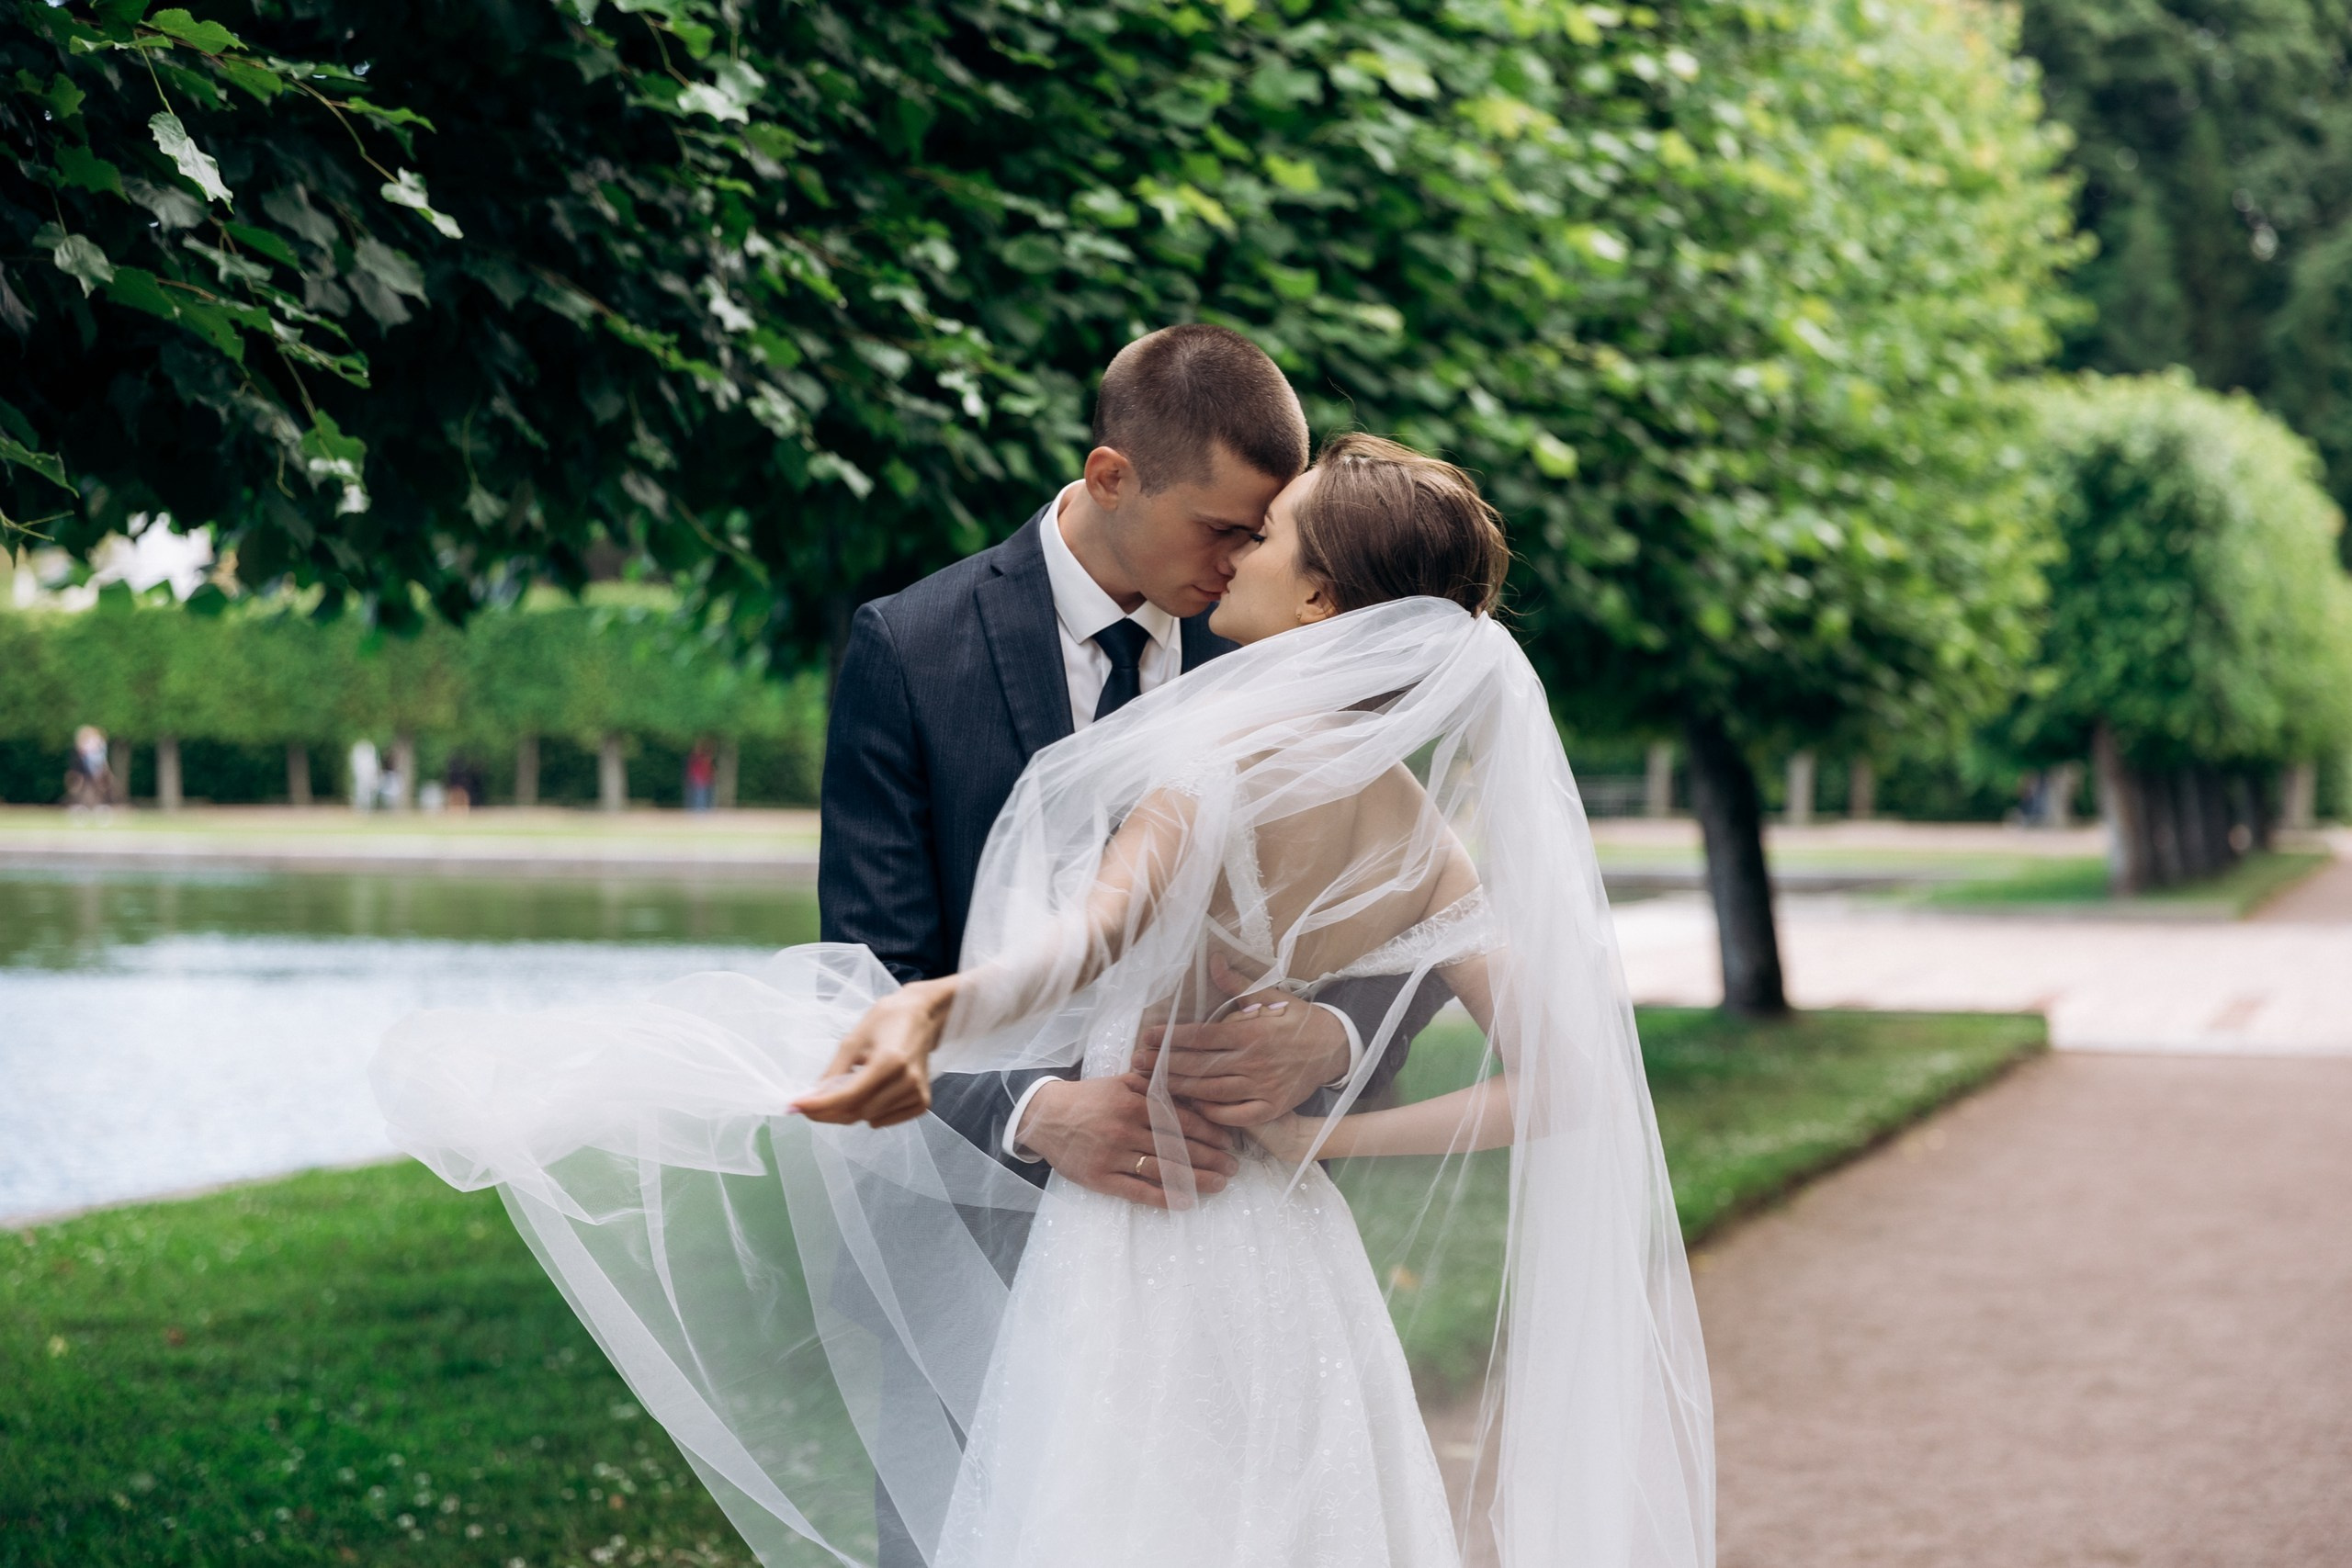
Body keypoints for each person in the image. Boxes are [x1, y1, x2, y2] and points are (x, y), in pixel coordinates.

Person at [375, 428, 1713, 1568]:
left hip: (1130, 1249)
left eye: (1271, 536)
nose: (1236, 553)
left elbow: (1089, 942)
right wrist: (1322, 1142)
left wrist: (938, 1008)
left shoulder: (1214, 754)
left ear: (1317, 605)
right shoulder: (1420, 824)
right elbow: (1574, 1075)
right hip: (1281, 1241)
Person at [63, 725, 113, 815]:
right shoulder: (82, 750)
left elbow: (102, 761)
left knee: (99, 791)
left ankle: (99, 808)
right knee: (81, 791)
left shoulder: (100, 748)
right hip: (84, 773)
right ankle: (80, 808)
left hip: (96, 772)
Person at [684, 739, 717, 812]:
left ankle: (700, 812)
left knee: (701, 797)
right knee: (700, 797)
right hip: (700, 781)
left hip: (704, 780)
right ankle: (699, 813)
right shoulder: (698, 759)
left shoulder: (699, 759)